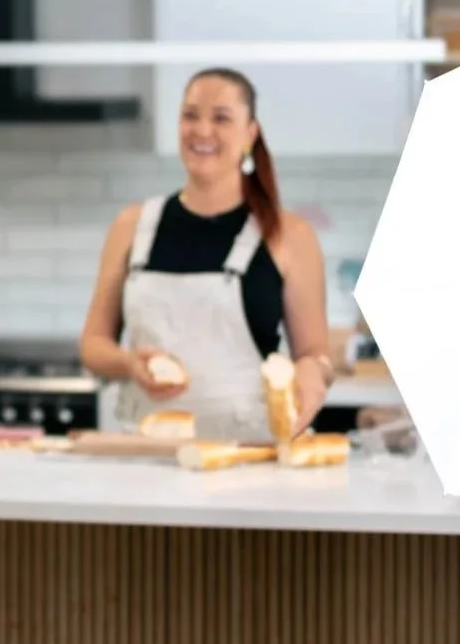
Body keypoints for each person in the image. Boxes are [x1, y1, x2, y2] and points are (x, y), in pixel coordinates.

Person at [80, 67, 334, 443]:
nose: (202, 131)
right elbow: (93, 345)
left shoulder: (290, 236)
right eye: (190, 115)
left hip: (249, 456)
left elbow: (315, 353)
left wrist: (314, 371)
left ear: (250, 135)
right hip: (147, 457)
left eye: (221, 118)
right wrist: (129, 364)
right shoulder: (132, 226)